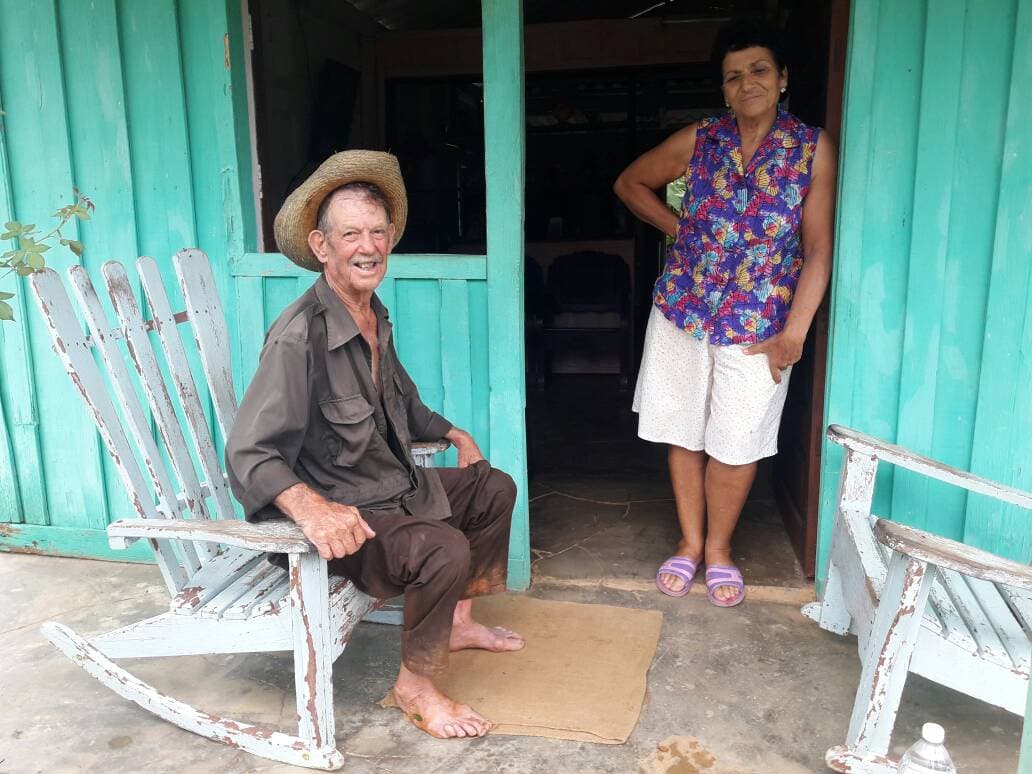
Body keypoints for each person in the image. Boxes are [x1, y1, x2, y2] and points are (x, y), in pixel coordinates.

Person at [225, 150, 524, 739]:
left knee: (493, 487)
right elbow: (249, 450)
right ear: (321, 245)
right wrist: (311, 508)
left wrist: (452, 433)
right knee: (442, 548)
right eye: (351, 233)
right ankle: (414, 685)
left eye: (378, 232)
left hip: (394, 490)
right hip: (347, 519)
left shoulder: (371, 314)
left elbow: (405, 405)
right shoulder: (298, 336)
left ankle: (458, 620)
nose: (368, 246)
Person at [613, 20, 836, 607]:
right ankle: (689, 543)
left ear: (783, 79)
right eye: (734, 76)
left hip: (760, 325)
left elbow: (818, 249)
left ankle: (719, 549)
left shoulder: (810, 148)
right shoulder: (701, 139)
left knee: (736, 442)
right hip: (683, 310)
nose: (747, 83)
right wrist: (680, 227)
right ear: (724, 89)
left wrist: (796, 334)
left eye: (759, 70)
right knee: (682, 431)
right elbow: (632, 183)